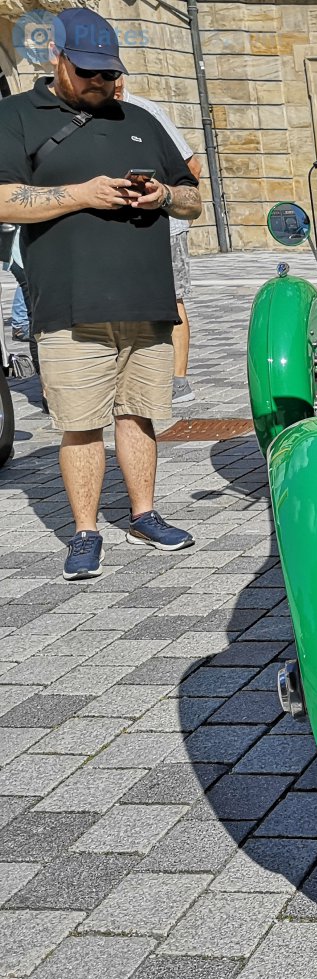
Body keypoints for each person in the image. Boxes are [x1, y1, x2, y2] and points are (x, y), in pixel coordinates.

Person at [0, 8, 202, 579]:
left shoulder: (139, 118)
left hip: (146, 300)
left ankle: (144, 514)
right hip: (70, 303)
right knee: (81, 421)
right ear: (56, 60)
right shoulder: (16, 116)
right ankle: (86, 531)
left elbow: (193, 198)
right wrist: (82, 193)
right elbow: (4, 199)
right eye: (88, 72)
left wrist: (162, 194)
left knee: (140, 415)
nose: (101, 83)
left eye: (109, 73)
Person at [116, 76, 203, 403]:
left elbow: (193, 167)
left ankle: (179, 381)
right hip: (125, 229)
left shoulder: (146, 112)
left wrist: (170, 200)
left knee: (172, 300)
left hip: (165, 227)